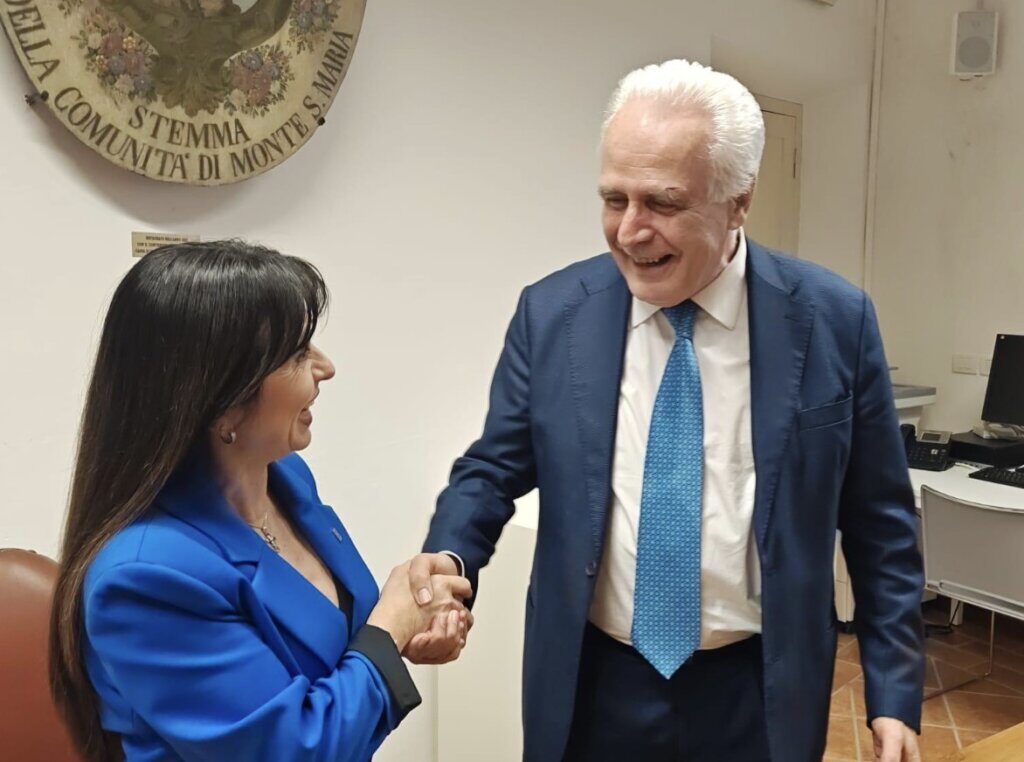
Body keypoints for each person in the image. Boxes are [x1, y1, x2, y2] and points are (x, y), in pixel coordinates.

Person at [419, 60, 925, 761]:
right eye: (614, 199)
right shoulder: (553, 314)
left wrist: (893, 695)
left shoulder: (834, 321)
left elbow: (881, 527)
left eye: (662, 203)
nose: (631, 231)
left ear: (739, 201)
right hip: (592, 687)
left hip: (759, 693)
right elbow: (491, 469)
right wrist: (449, 564)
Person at [49, 240, 471, 762]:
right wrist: (391, 628)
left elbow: (339, 638)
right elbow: (295, 748)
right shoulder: (144, 577)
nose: (325, 367)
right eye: (297, 354)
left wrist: (414, 617)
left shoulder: (285, 479)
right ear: (222, 401)